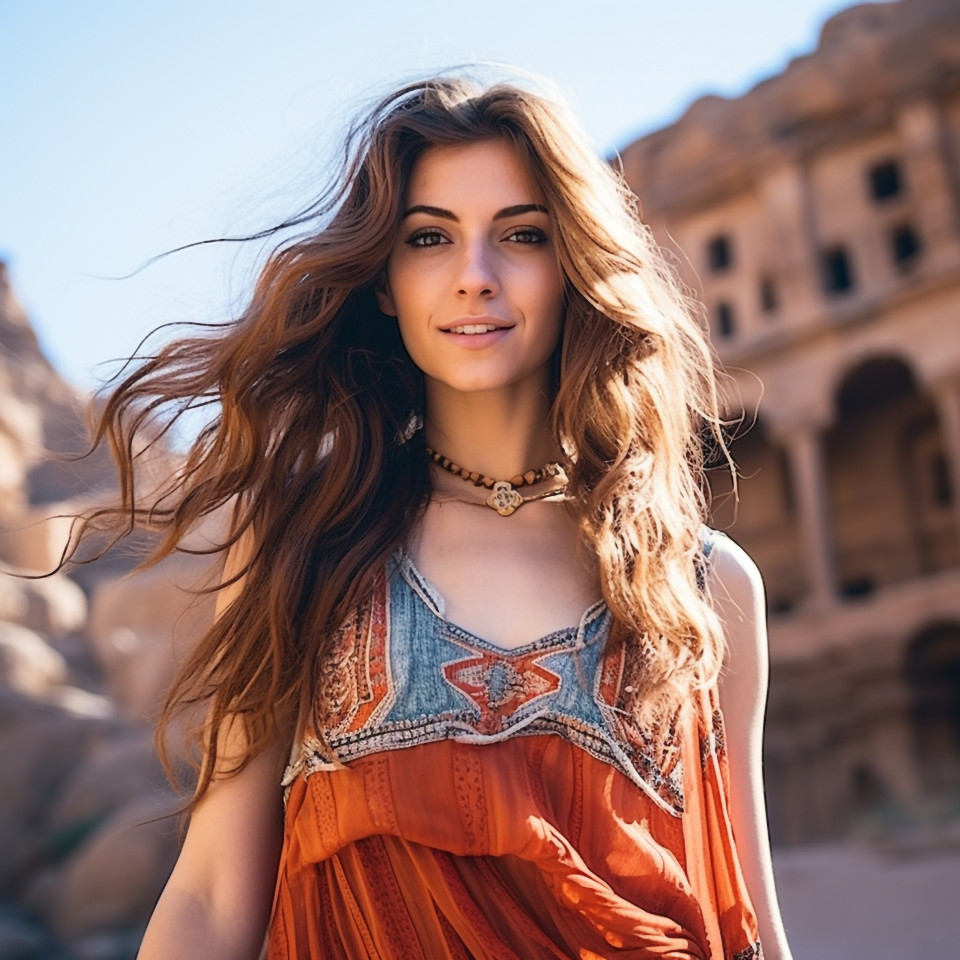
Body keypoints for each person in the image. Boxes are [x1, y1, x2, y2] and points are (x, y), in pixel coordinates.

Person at [76, 72, 793, 959]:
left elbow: (748, 926)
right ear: (384, 282)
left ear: (572, 264)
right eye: (430, 239)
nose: (475, 279)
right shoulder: (306, 546)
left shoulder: (704, 583)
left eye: (522, 236)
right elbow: (215, 893)